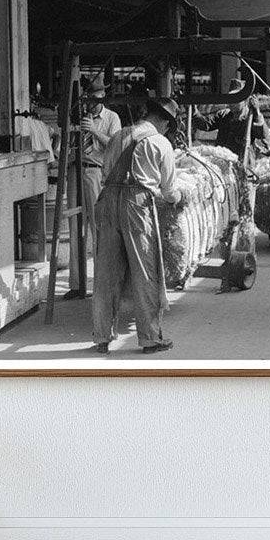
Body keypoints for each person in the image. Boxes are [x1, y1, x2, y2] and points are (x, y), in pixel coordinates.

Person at [91, 96, 181, 354]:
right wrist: (178, 198)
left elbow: (106, 171)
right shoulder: (160, 142)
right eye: (168, 126)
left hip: (108, 200)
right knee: (145, 271)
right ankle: (151, 338)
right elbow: (168, 189)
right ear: (163, 121)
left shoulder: (118, 135)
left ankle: (101, 337)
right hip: (137, 204)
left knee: (106, 273)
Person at [66, 77, 122, 299]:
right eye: (89, 99)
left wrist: (95, 132)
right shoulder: (78, 115)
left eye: (96, 99)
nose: (92, 104)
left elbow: (116, 145)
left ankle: (101, 284)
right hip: (75, 170)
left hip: (96, 171)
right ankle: (77, 284)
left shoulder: (111, 118)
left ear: (103, 97)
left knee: (98, 228)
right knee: (74, 227)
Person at [193, 77, 266, 159]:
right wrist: (194, 111)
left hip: (243, 161)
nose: (232, 102)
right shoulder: (223, 115)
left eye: (236, 99)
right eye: (231, 98)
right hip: (223, 160)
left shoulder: (250, 117)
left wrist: (257, 112)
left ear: (245, 100)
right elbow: (205, 124)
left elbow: (261, 134)